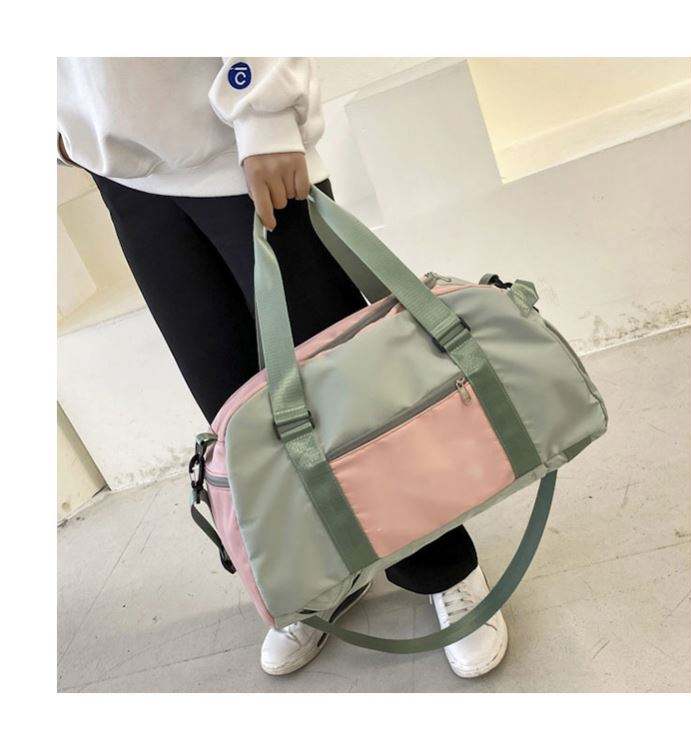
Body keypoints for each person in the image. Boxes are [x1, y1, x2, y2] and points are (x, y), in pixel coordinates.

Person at [57, 57, 507, 678]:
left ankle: (443, 568)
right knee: (237, 410)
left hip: (234, 145)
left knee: (348, 393)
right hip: (123, 173)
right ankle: (322, 577)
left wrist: (265, 115)